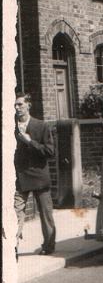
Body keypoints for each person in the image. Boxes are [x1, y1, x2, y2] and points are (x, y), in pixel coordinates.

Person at [14, 93, 56, 256]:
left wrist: (30, 142)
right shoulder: (10, 126)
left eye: (20, 105)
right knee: (15, 213)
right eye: (15, 105)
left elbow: (50, 151)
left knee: (46, 214)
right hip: (19, 177)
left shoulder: (41, 126)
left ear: (28, 105)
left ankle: (49, 245)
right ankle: (12, 246)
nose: (17, 108)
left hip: (39, 177)